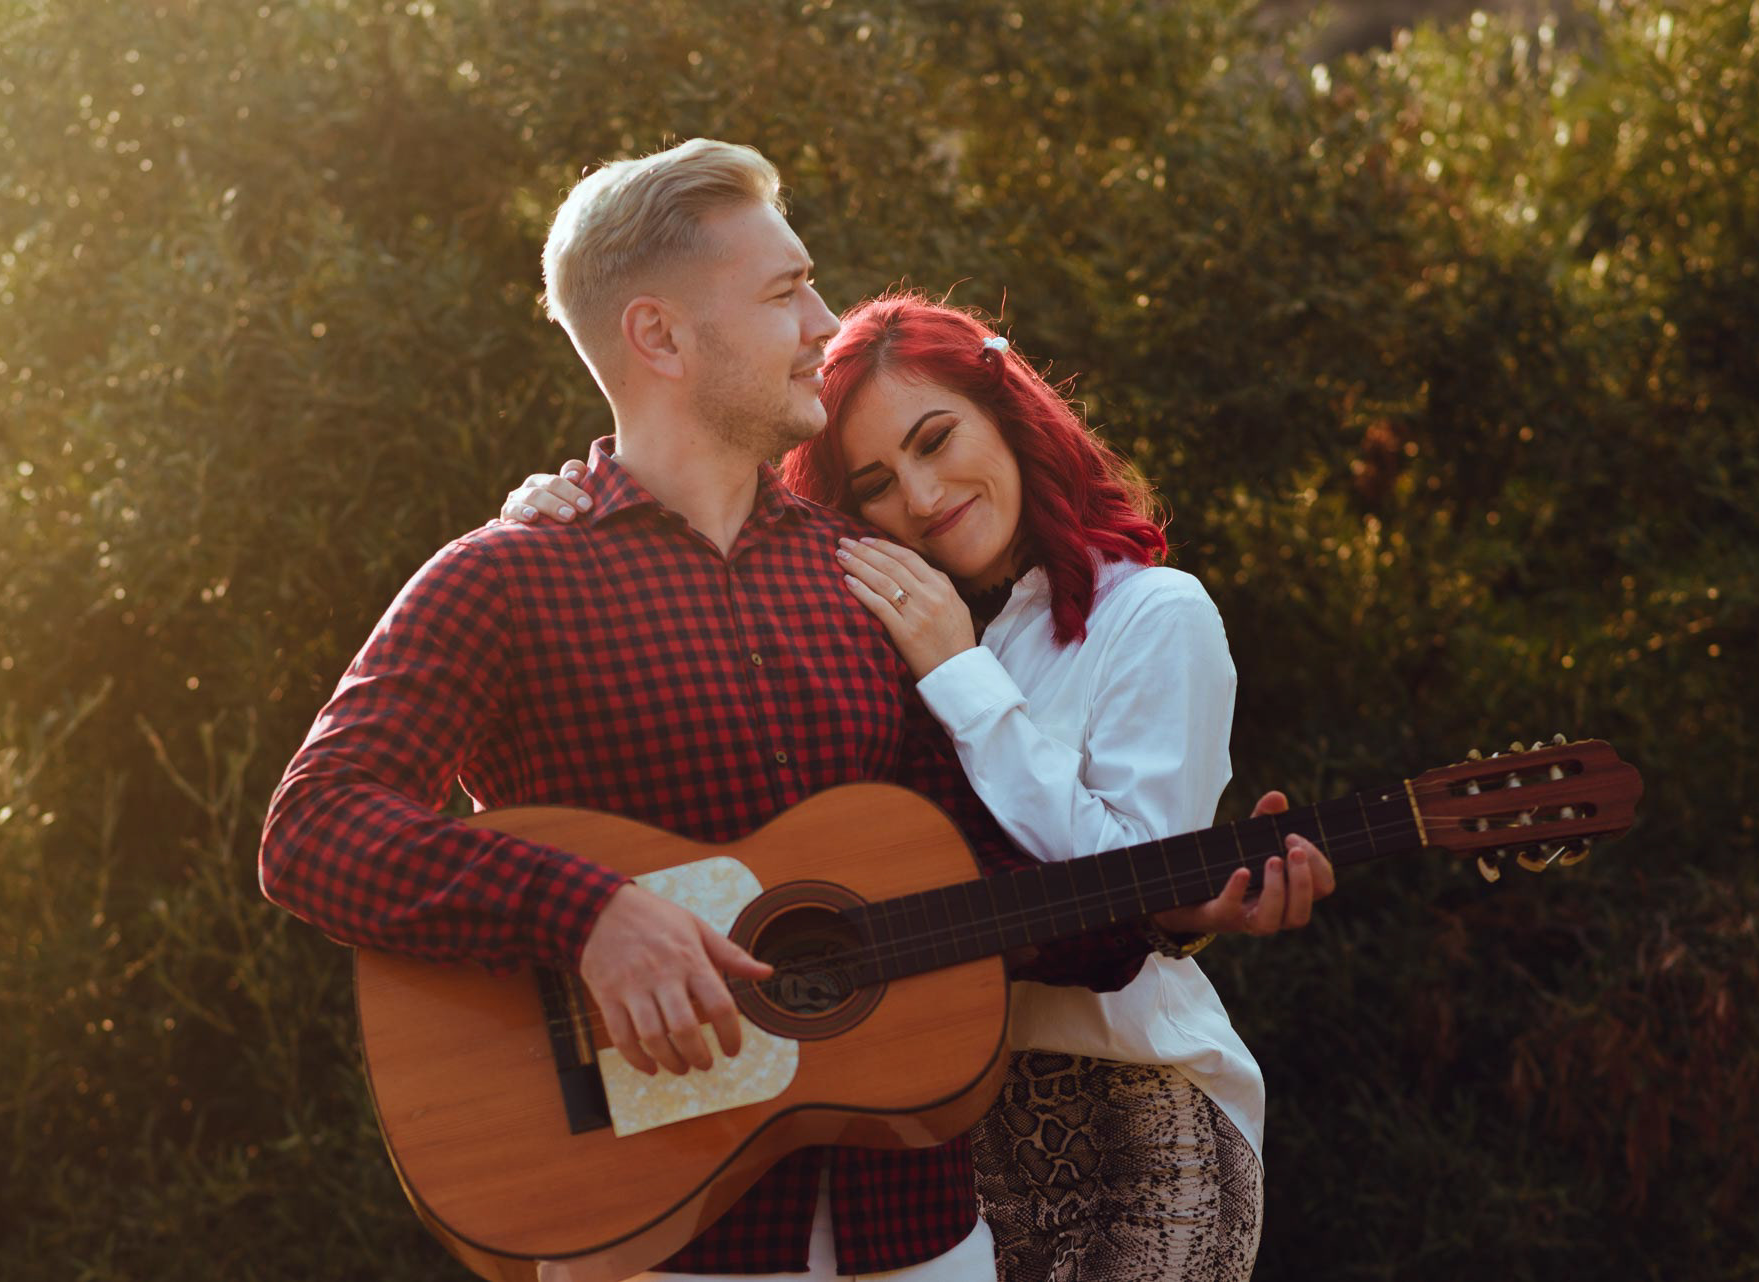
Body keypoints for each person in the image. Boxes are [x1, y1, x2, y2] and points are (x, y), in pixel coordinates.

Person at [260, 139, 1328, 1282]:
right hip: (661, 1237)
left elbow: (966, 892)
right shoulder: (505, 578)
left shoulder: (870, 582)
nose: (826, 321)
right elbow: (314, 827)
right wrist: (589, 915)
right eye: (785, 292)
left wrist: (1174, 906)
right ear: (659, 336)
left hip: (924, 1236)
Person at [499, 293, 1336, 1282]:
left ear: (1009, 411)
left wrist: (958, 674)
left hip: (1128, 1110)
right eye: (878, 482)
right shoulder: (864, 631)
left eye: (937, 439)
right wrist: (569, 519)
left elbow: (1126, 885)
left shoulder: (1152, 615)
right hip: (922, 1138)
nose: (925, 494)